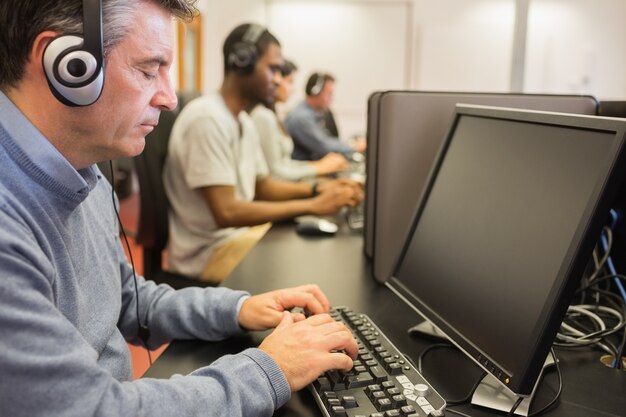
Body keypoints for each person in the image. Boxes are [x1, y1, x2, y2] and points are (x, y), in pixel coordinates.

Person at [0, 2, 358, 417]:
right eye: (149, 69)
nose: (170, 98)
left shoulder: (85, 170)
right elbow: (91, 409)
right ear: (67, 65)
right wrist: (271, 369)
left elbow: (130, 303)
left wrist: (237, 309)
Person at [164, 24, 363, 282]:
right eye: (273, 69)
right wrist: (312, 205)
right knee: (305, 272)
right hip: (207, 255)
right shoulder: (207, 119)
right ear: (241, 62)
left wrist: (318, 189)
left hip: (237, 237)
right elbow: (227, 212)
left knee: (315, 258)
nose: (279, 80)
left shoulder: (243, 121)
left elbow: (263, 186)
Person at [251, 59, 348, 181]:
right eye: (290, 81)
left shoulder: (273, 115)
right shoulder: (296, 118)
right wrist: (319, 168)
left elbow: (284, 164)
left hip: (292, 177)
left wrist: (319, 166)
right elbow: (276, 173)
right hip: (287, 182)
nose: (293, 89)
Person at [285, 72, 366, 161]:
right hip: (305, 169)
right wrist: (353, 147)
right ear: (315, 92)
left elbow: (326, 139)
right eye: (329, 93)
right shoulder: (301, 118)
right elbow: (324, 146)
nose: (332, 98)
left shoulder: (314, 114)